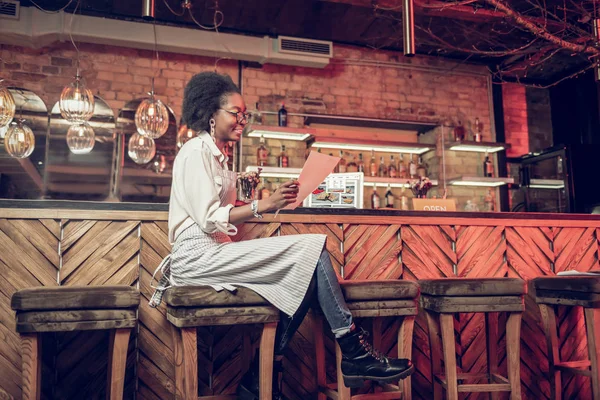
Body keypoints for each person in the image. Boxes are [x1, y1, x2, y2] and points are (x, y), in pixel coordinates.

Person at [149, 72, 414, 399]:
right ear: (210, 114)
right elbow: (207, 220)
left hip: (217, 250)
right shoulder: (195, 151)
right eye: (235, 113)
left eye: (244, 114)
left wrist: (250, 196)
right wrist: (264, 204)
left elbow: (230, 222)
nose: (241, 120)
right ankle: (353, 349)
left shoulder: (219, 158)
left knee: (299, 275)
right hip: (197, 257)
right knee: (312, 249)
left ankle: (259, 377)